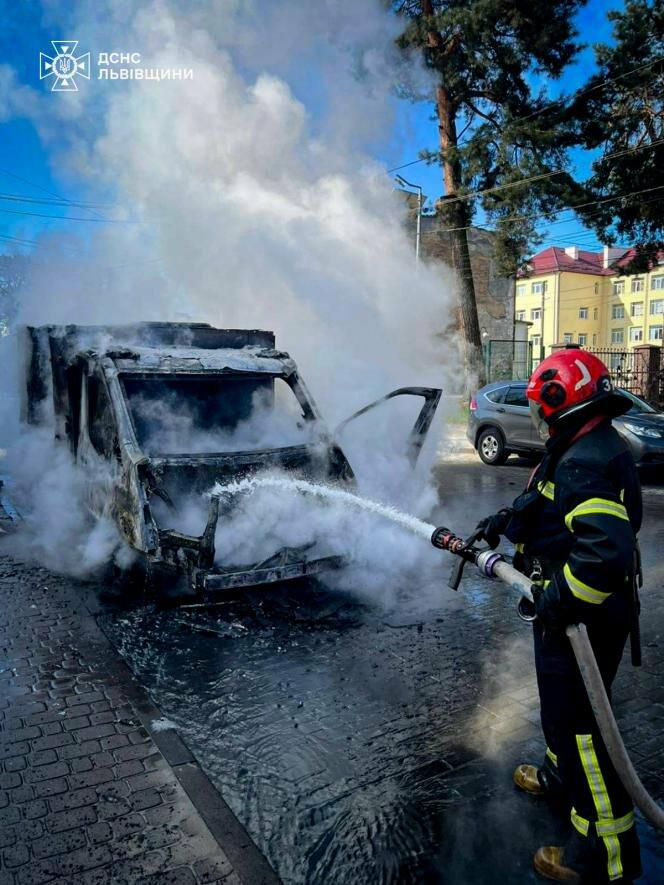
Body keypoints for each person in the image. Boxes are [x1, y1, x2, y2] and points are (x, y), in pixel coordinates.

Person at [476, 346, 642, 884]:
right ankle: (558, 776)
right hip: (573, 615)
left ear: (556, 402)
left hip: (584, 618)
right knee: (561, 713)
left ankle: (604, 857)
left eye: (539, 408)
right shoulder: (581, 442)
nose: (537, 419)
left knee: (585, 731)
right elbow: (547, 500)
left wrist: (555, 602)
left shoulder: (585, 461)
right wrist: (503, 520)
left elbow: (602, 555)